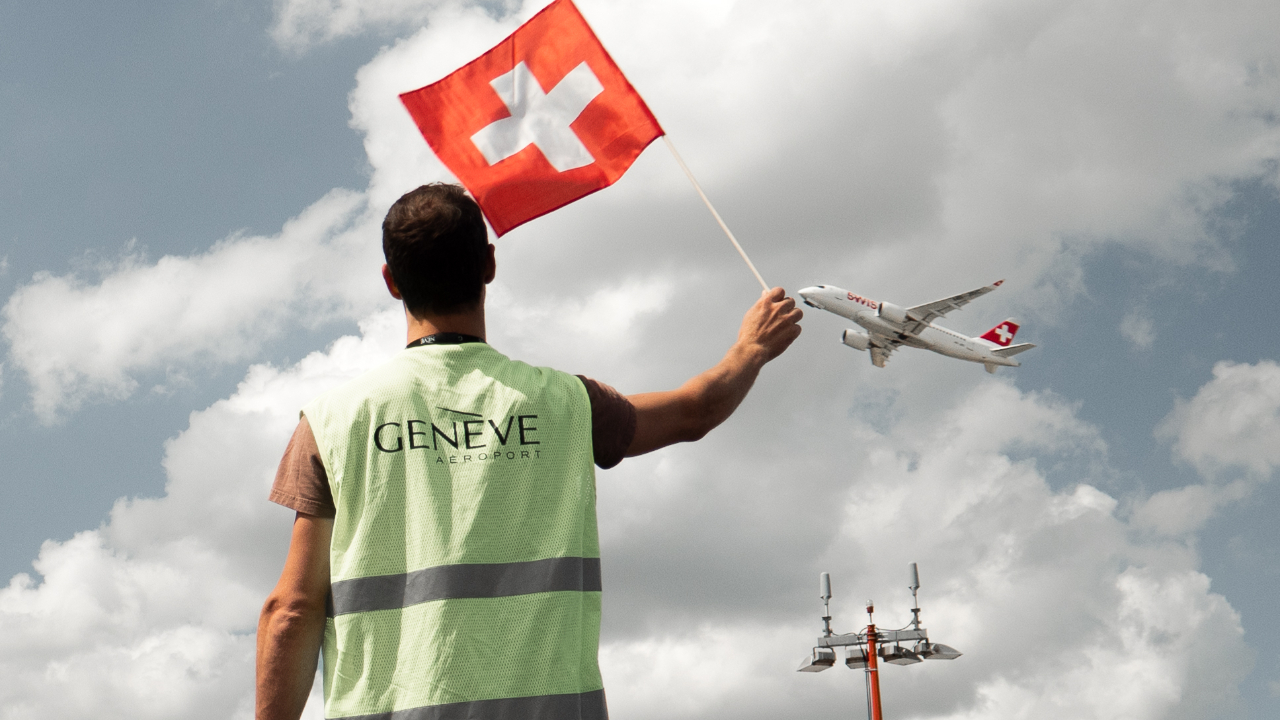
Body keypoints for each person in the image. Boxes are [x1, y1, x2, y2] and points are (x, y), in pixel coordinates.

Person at [255, 183, 802, 720]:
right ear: (489, 265)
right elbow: (694, 412)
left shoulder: (332, 422)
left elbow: (292, 611)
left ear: (391, 282)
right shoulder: (568, 403)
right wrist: (750, 349)